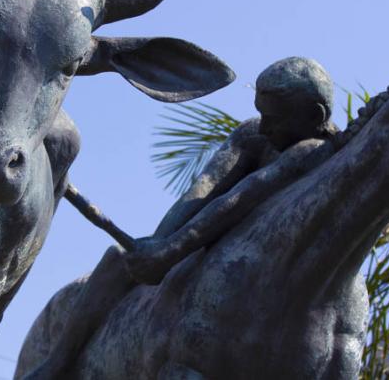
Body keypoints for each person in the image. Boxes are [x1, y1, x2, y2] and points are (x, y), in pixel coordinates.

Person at [29, 57, 337, 379]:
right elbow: (206, 186)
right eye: (260, 113)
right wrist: (162, 242)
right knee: (118, 260)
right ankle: (58, 361)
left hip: (261, 277)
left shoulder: (320, 156)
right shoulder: (254, 136)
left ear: (314, 116)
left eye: (272, 118)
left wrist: (173, 247)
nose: (262, 126)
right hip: (207, 242)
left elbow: (242, 198)